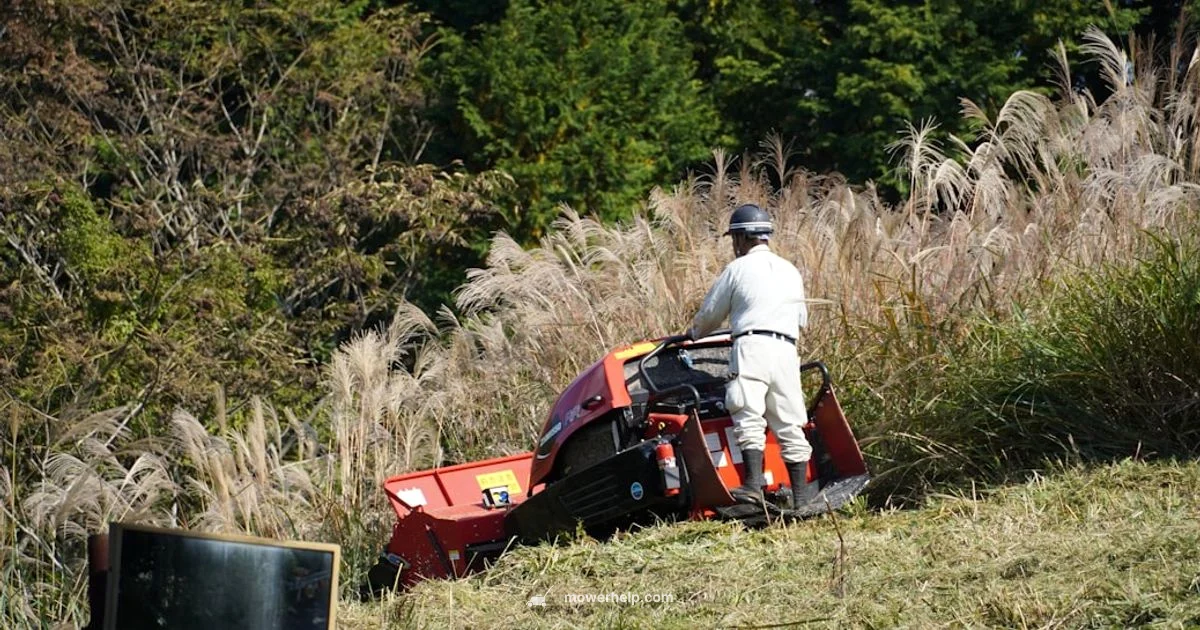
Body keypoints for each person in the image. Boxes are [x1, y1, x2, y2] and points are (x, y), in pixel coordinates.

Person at [687, 203, 814, 508]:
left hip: (752, 346)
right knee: (790, 423)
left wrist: (693, 334)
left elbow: (710, 315)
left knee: (747, 413)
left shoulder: (737, 269)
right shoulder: (790, 270)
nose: (734, 245)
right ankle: (801, 500)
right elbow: (801, 319)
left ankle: (753, 486)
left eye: (734, 239)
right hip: (786, 350)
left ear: (743, 238)